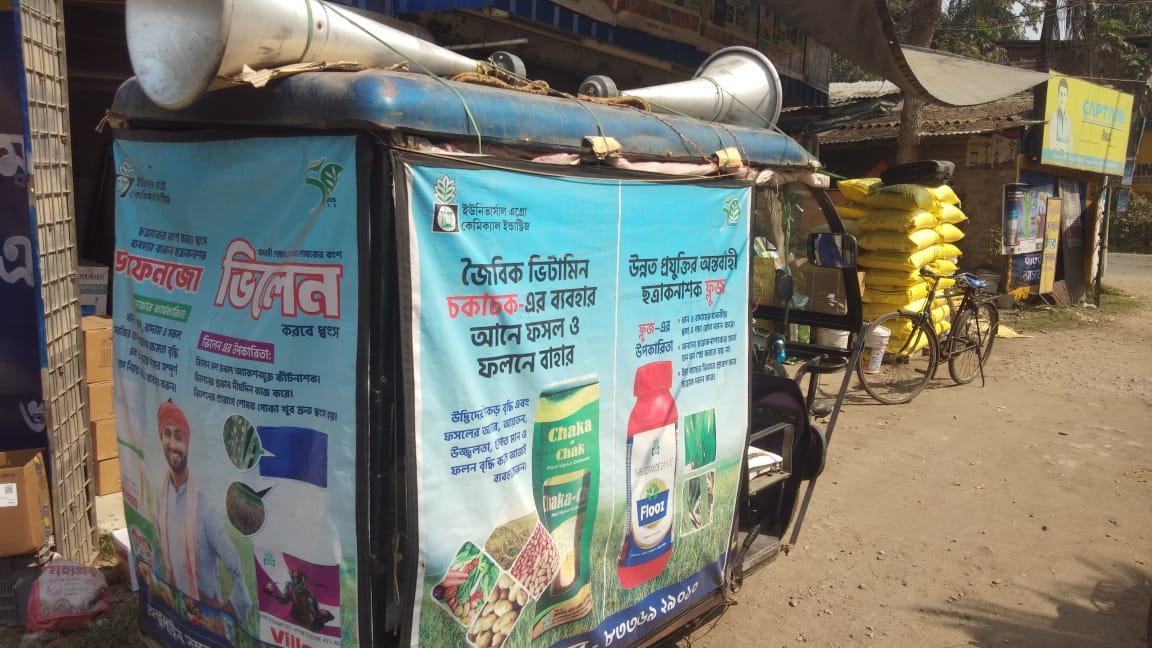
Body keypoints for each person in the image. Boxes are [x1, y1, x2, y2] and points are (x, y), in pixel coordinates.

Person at [154, 400, 252, 621]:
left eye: (179, 436)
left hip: (207, 621)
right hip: (176, 613)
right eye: (167, 434)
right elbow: (161, 556)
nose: (172, 444)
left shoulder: (205, 509)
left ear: (187, 443)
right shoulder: (161, 500)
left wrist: (227, 612)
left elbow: (236, 567)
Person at [1048, 78, 1072, 153]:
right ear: (1058, 95)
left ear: (1067, 97)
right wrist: (1063, 145)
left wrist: (1061, 145)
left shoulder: (1068, 120)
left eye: (1064, 95)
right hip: (1055, 156)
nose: (1062, 98)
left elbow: (1070, 146)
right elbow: (1052, 144)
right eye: (1061, 94)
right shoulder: (1054, 116)